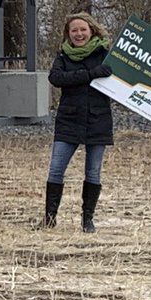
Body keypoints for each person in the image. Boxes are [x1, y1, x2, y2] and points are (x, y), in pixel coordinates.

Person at [42, 12, 114, 233]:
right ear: (68, 34)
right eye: (74, 30)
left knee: (93, 173)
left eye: (83, 29)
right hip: (69, 120)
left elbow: (129, 84)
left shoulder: (106, 55)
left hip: (98, 119)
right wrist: (91, 74)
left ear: (92, 30)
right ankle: (50, 219)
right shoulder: (63, 56)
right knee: (56, 170)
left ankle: (87, 220)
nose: (79, 34)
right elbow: (56, 78)